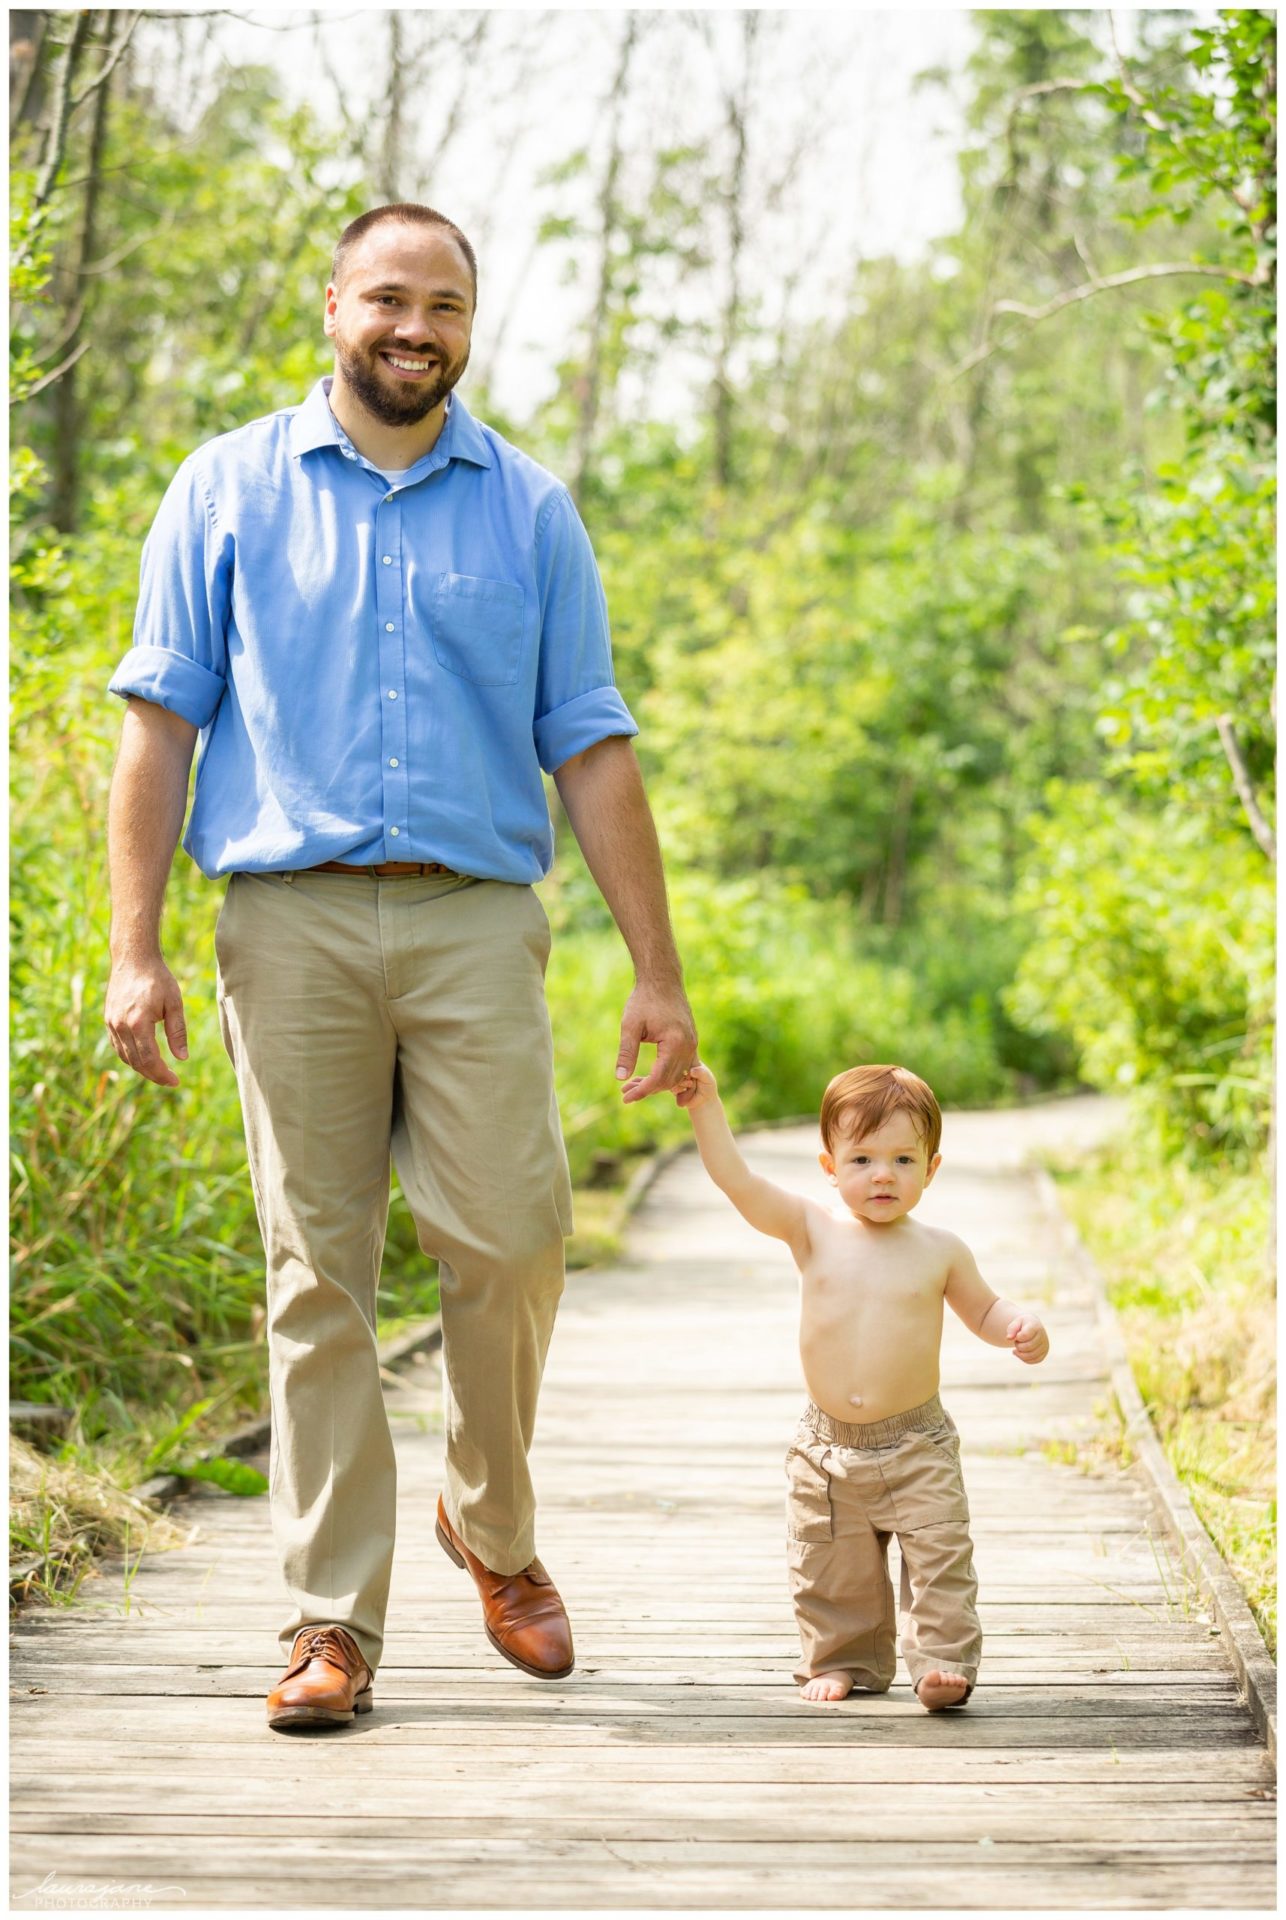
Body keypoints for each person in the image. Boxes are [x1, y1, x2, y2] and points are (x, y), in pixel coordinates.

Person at [104, 202, 697, 1732]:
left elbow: (591, 743)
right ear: (332, 308)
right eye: (387, 297)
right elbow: (159, 723)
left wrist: (658, 973)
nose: (412, 327)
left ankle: (488, 1527)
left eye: (443, 304)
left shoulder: (529, 510)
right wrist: (133, 950)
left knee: (510, 1241)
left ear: (468, 326)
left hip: (473, 921)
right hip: (285, 920)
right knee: (319, 1276)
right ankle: (329, 1622)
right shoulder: (224, 490)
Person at [649, 1058, 1049, 1708]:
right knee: (830, 1566)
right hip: (826, 1446)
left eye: (902, 1160)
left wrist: (1022, 1328)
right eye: (861, 1160)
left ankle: (942, 1664)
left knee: (939, 1554)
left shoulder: (940, 1248)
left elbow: (984, 1309)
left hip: (917, 1443)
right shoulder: (812, 1230)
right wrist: (705, 1104)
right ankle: (841, 1660)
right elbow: (736, 1179)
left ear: (932, 1168)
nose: (882, 1175)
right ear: (829, 1167)